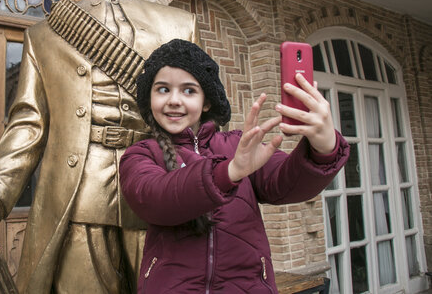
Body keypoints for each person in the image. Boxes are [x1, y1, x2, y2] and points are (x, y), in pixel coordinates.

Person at [0, 0, 199, 294]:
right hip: (81, 193)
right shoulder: (45, 36)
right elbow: (28, 126)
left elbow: (202, 122)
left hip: (160, 187)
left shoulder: (179, 25)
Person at [119, 39, 350, 293]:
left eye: (188, 90)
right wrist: (229, 172)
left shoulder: (239, 145)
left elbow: (287, 184)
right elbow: (156, 199)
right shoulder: (140, 154)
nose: (174, 100)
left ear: (207, 102)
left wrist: (324, 147)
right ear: (149, 98)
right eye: (163, 89)